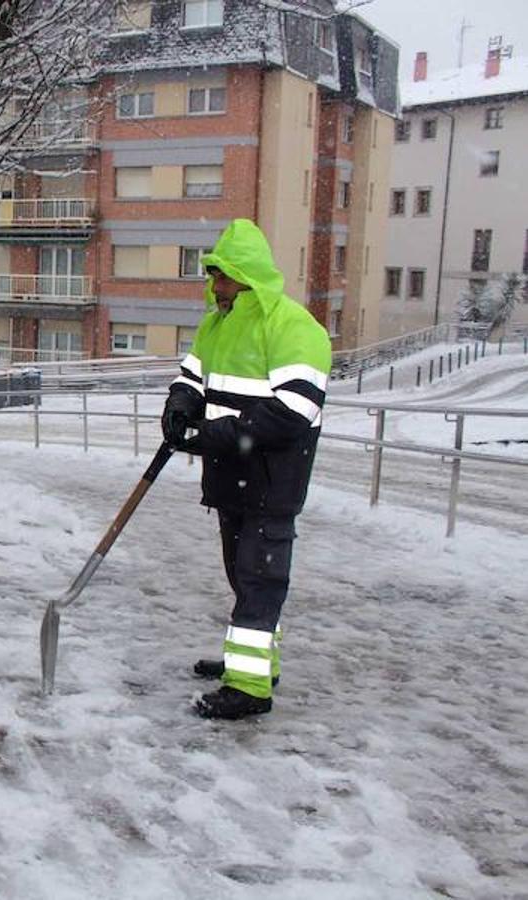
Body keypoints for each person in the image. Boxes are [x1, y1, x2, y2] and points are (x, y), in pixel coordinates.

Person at [160, 219, 331, 721]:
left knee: (260, 579)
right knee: (243, 574)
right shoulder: (217, 323)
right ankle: (252, 663)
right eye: (213, 277)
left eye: (224, 277)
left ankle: (250, 690)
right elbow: (193, 374)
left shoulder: (293, 327)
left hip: (272, 480)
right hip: (229, 477)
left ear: (248, 276)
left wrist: (214, 433)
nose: (216, 286)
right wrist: (180, 404)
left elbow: (293, 412)